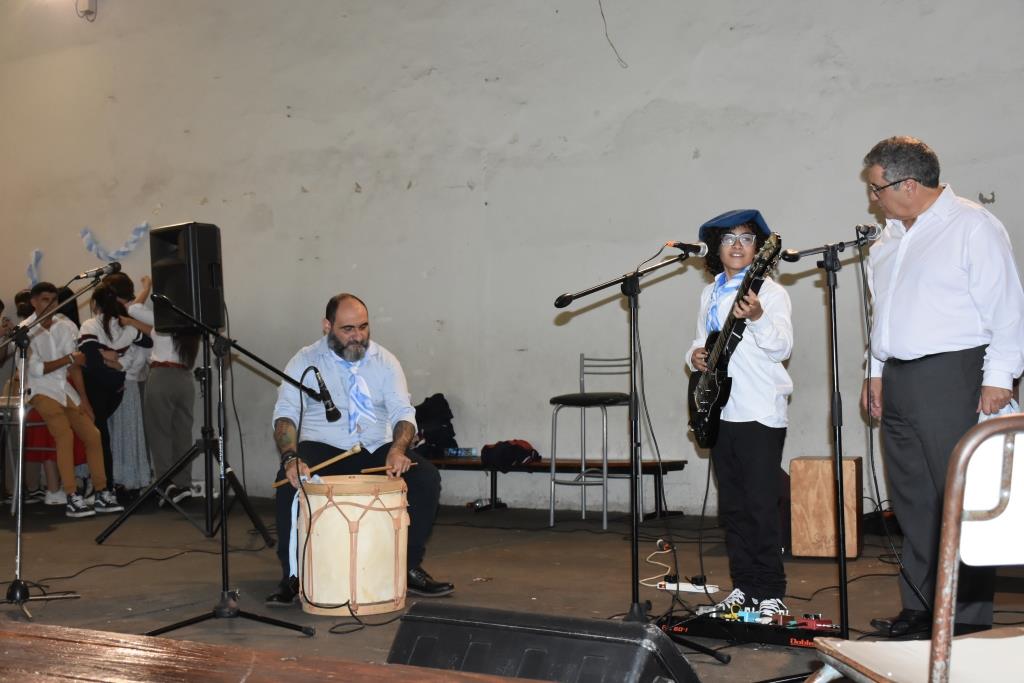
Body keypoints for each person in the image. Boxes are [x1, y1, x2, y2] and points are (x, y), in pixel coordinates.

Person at [860, 136, 1024, 638]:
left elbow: (1007, 308)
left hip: (956, 373)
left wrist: (998, 379)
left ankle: (965, 616)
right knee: (911, 498)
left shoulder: (972, 226)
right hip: (900, 377)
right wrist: (874, 370)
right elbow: (882, 316)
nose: (872, 198)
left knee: (959, 496)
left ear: (908, 184)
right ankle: (920, 608)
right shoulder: (886, 241)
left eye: (876, 188)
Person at [266, 293, 453, 606]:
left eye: (364, 327)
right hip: (324, 445)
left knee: (426, 479)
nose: (358, 336)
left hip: (376, 445)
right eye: (348, 329)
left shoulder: (385, 361)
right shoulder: (305, 360)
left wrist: (398, 449)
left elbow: (402, 412)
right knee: (289, 486)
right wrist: (290, 458)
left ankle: (407, 568)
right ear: (327, 326)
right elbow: (285, 413)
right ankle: (292, 577)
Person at [685, 209, 793, 622]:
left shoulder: (772, 293)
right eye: (727, 238)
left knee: (760, 505)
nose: (735, 245)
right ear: (716, 248)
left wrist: (759, 318)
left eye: (746, 239)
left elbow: (782, 347)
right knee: (732, 507)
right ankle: (744, 587)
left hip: (758, 409)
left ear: (759, 249)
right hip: (720, 409)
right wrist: (692, 355)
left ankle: (771, 591)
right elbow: (702, 341)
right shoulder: (709, 293)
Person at [21, 282, 120, 517]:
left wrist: (84, 400)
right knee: (63, 434)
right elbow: (35, 370)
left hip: (65, 389)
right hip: (39, 390)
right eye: (46, 300)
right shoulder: (24, 331)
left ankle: (101, 492)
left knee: (93, 435)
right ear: (34, 302)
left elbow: (77, 365)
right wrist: (68, 359)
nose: (52, 305)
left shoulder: (66, 326)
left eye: (55, 300)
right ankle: (71, 495)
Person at [78, 275, 152, 499]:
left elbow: (88, 356)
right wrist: (119, 364)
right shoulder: (129, 323)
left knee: (104, 435)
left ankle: (103, 484)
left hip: (103, 385)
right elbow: (148, 342)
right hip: (125, 384)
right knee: (126, 436)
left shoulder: (92, 325)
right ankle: (128, 483)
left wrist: (106, 356)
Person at [130, 276, 200, 506]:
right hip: (184, 378)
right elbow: (150, 330)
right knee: (182, 433)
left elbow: (133, 308)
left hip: (161, 376)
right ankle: (183, 485)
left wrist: (146, 288)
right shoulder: (191, 319)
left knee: (159, 433)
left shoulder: (164, 318)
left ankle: (165, 483)